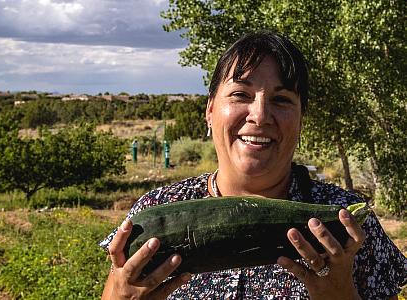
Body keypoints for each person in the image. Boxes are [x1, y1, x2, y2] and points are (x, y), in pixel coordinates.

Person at [99, 30, 407, 299]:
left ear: (301, 119)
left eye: (282, 99)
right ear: (209, 110)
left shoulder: (349, 226)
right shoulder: (154, 210)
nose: (259, 116)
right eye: (240, 94)